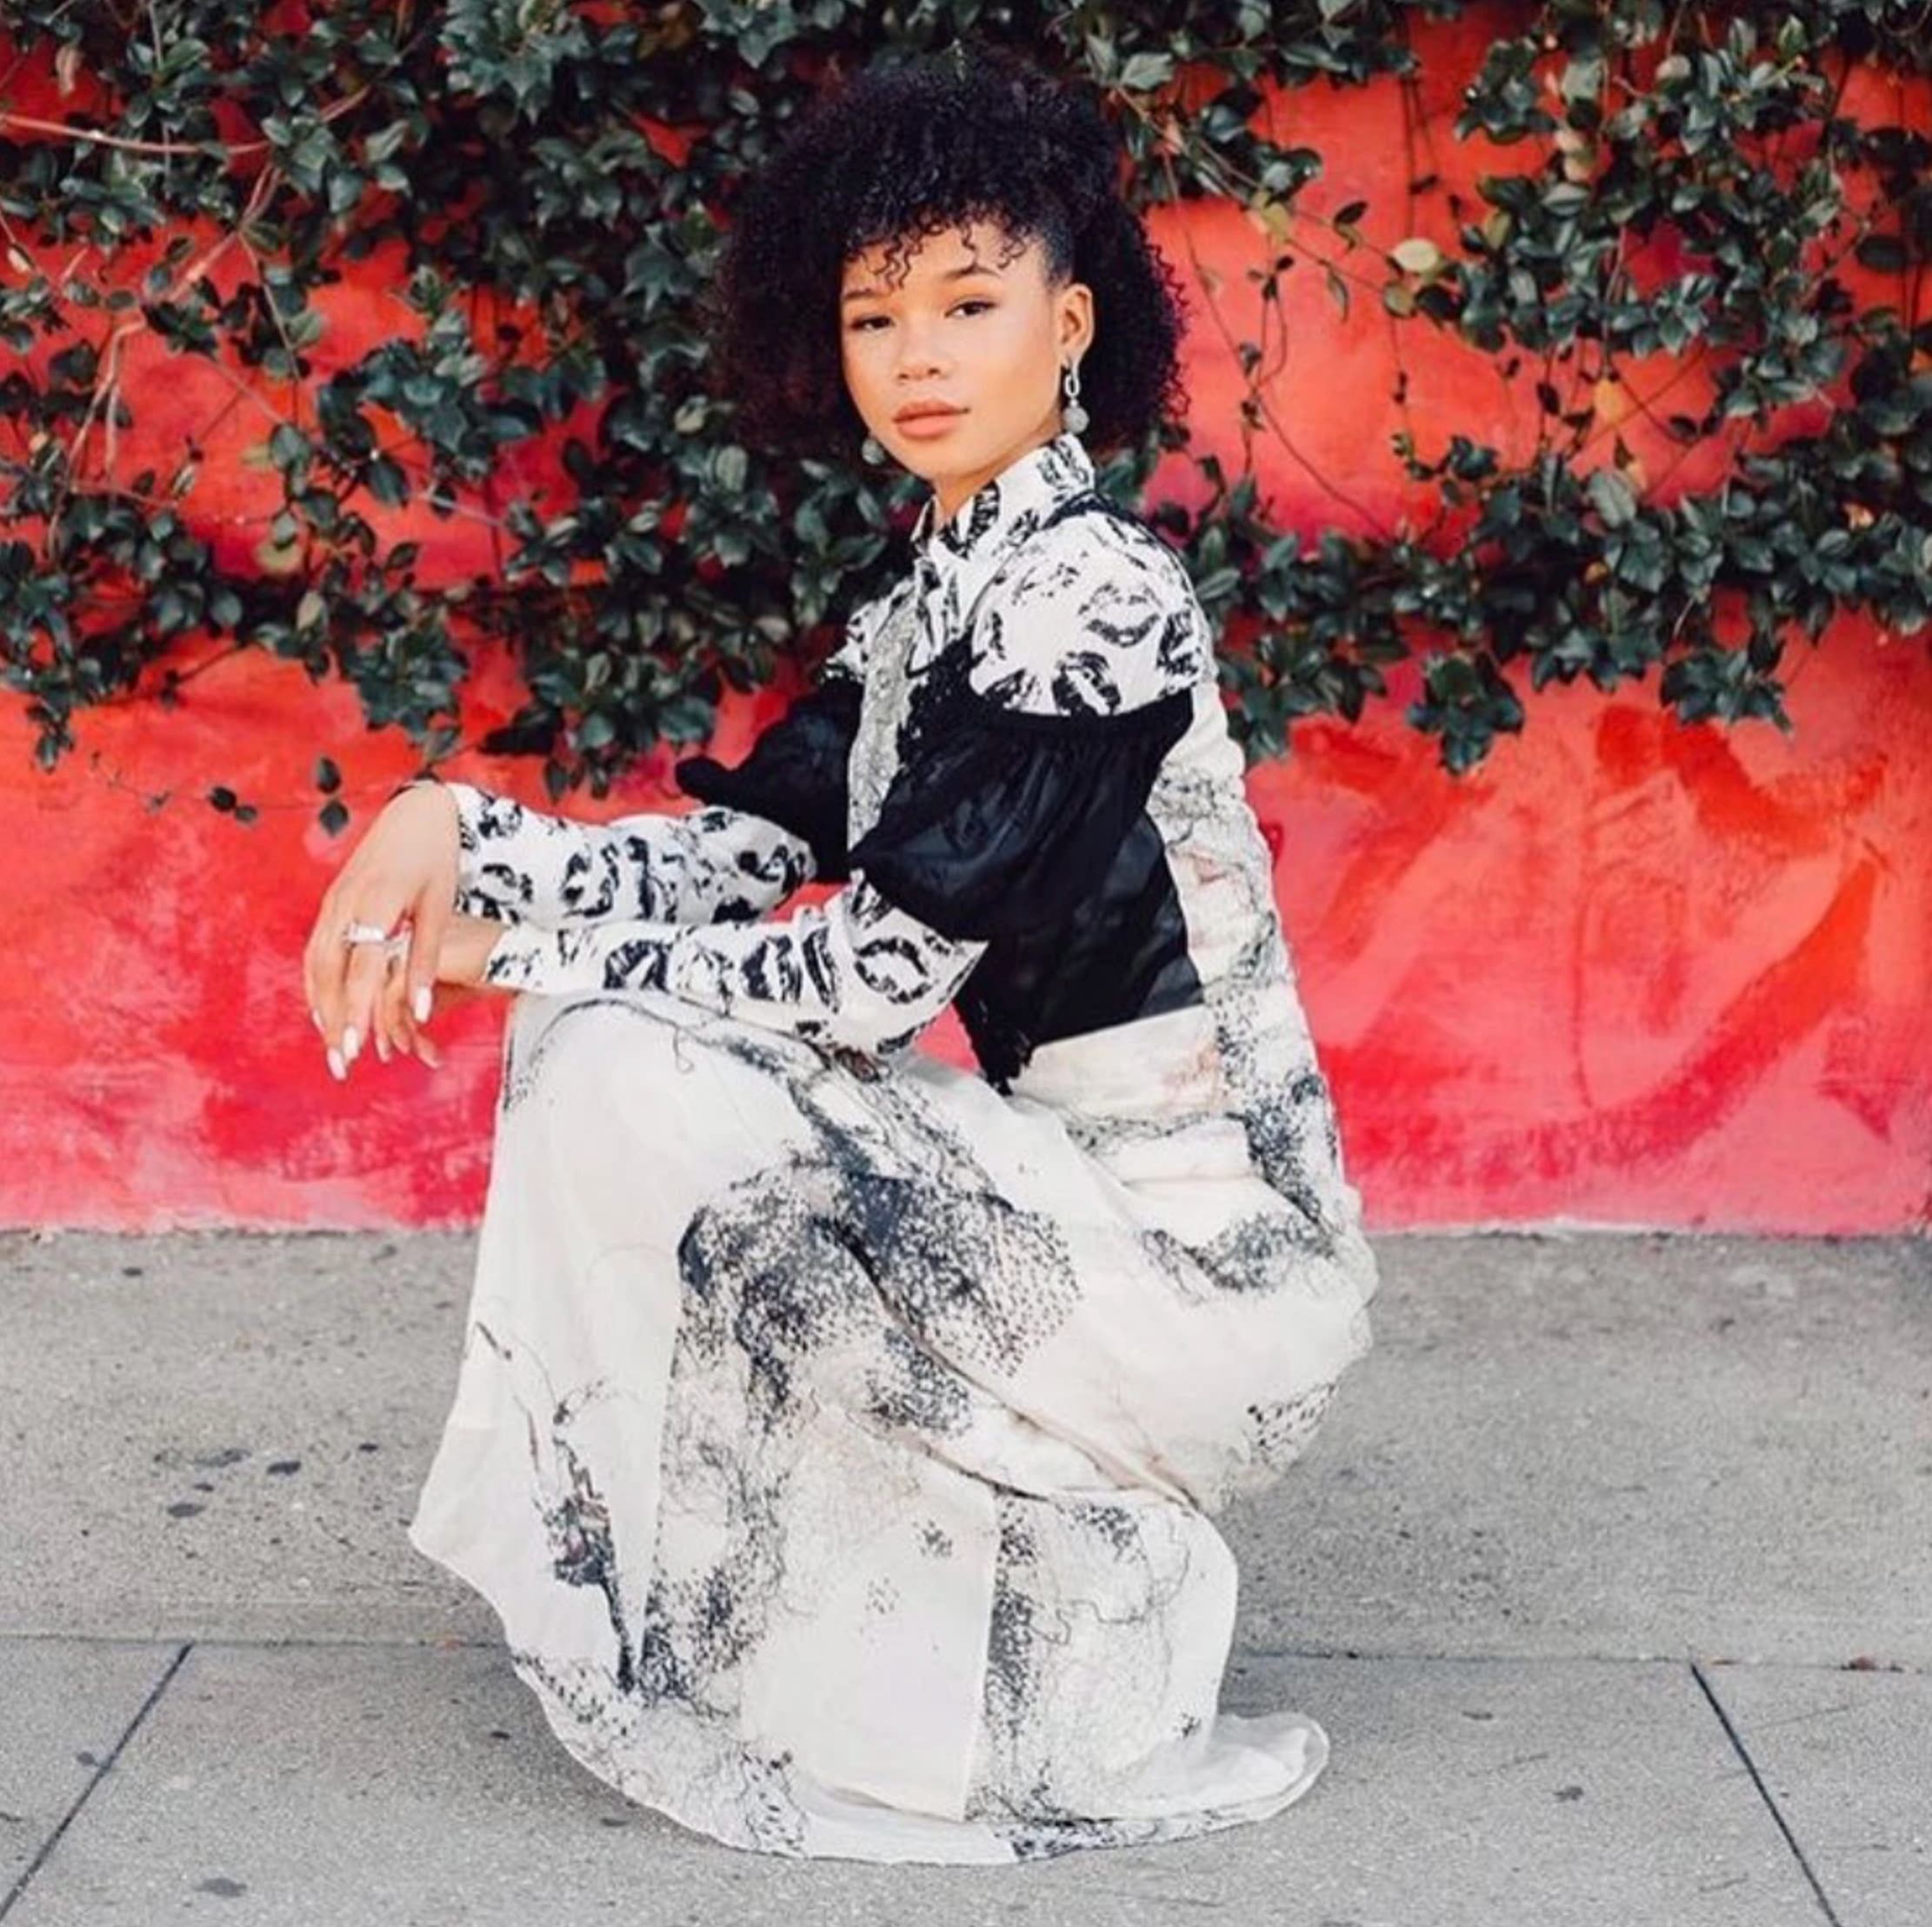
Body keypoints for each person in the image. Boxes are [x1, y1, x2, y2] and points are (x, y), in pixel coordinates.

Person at [302, 43, 1379, 1864]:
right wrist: (452, 826)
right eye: (878, 317)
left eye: (970, 302)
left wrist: (514, 954)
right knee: (597, 1055)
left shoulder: (1090, 597)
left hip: (1210, 1255)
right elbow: (730, 863)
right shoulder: (929, 602)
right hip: (1061, 1194)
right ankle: (846, 1637)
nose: (921, 357)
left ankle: (1081, 1574)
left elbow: (876, 978)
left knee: (623, 1057)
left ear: (1071, 326)